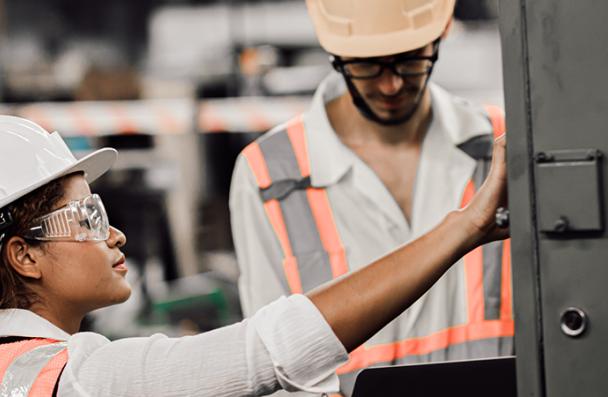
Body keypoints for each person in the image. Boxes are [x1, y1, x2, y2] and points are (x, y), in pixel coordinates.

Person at [0, 114, 507, 396]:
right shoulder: (80, 381)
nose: (115, 235)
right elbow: (272, 349)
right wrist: (466, 225)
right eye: (87, 216)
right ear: (24, 256)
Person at [229, 0, 513, 394]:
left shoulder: (500, 147)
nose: (391, 84)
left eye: (410, 60)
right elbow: (268, 357)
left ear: (443, 30)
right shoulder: (269, 172)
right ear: (334, 50)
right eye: (366, 64)